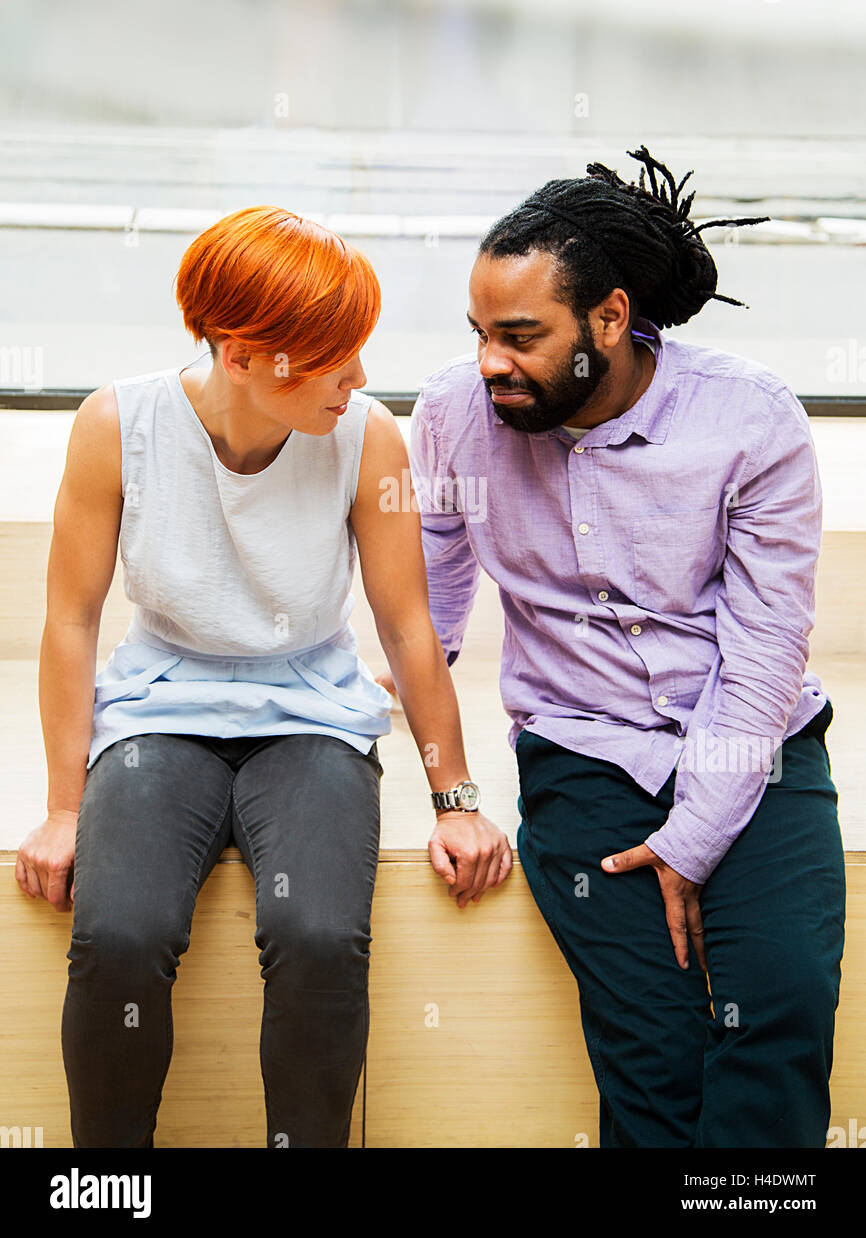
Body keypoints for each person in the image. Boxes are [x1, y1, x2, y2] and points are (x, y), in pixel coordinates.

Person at [15, 205, 512, 1149]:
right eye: (335, 358)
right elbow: (72, 620)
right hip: (160, 714)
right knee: (118, 938)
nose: (360, 379)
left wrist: (456, 798)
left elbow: (409, 629)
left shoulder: (366, 439)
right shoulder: (117, 425)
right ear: (243, 356)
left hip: (312, 718)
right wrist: (65, 806)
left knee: (321, 940)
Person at [380, 145, 846, 1148]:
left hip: (750, 738)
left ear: (608, 318)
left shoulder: (746, 417)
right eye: (477, 333)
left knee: (779, 1013)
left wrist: (691, 839)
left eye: (518, 336)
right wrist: (408, 676)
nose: (488, 362)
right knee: (653, 1047)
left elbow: (762, 651)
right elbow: (436, 576)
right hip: (582, 748)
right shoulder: (458, 415)